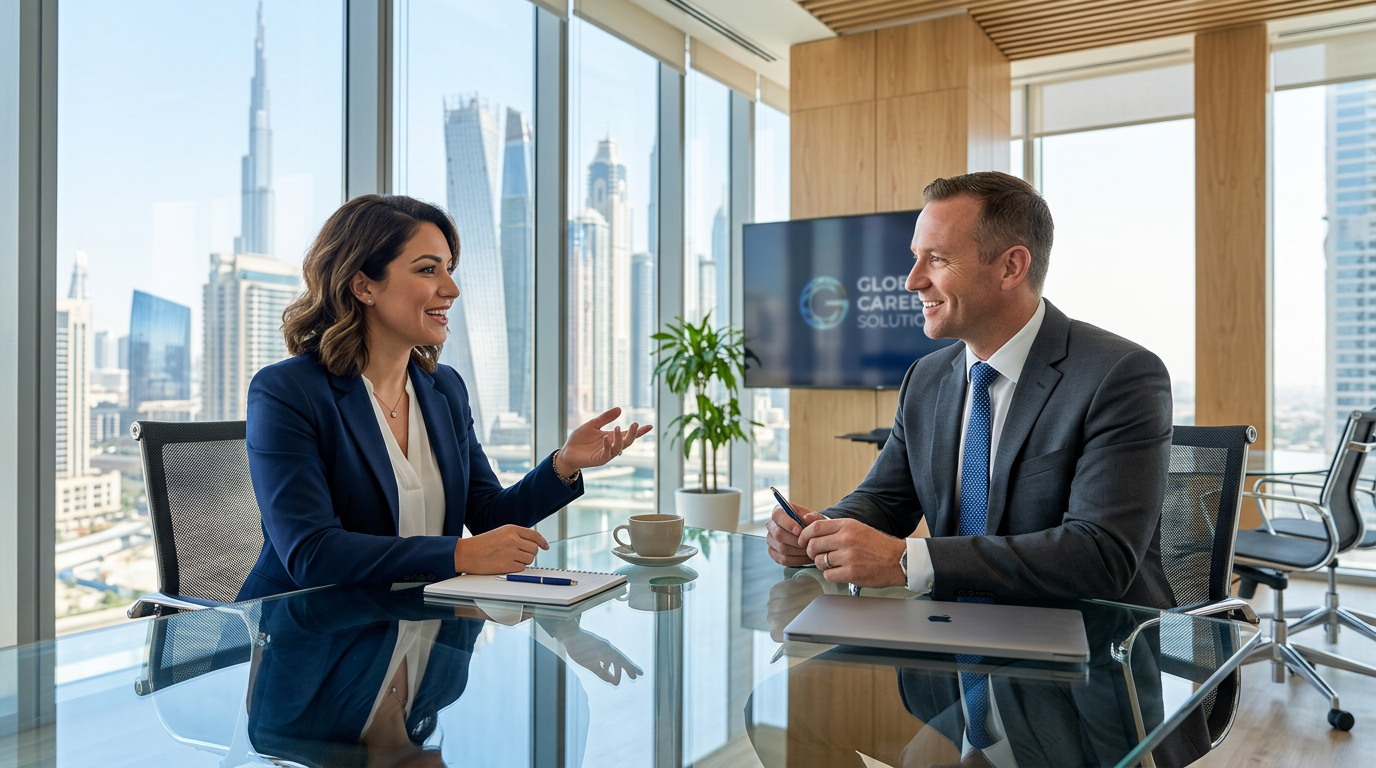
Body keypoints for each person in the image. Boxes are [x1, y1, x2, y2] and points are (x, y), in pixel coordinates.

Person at [766, 171, 1174, 608]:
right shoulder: (925, 377)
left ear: (1011, 267)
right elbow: (885, 499)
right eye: (915, 257)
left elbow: (1099, 556)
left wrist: (907, 561)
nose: (912, 280)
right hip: (951, 636)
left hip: (1091, 649)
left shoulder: (1120, 375)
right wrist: (820, 530)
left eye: (937, 259)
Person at [238, 194, 651, 600]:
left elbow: (488, 515)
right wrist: (460, 554)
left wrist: (563, 465)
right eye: (428, 270)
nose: (451, 288)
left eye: (449, 269)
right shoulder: (288, 392)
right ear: (363, 285)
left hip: (423, 627)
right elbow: (312, 553)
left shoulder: (445, 389)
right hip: (312, 637)